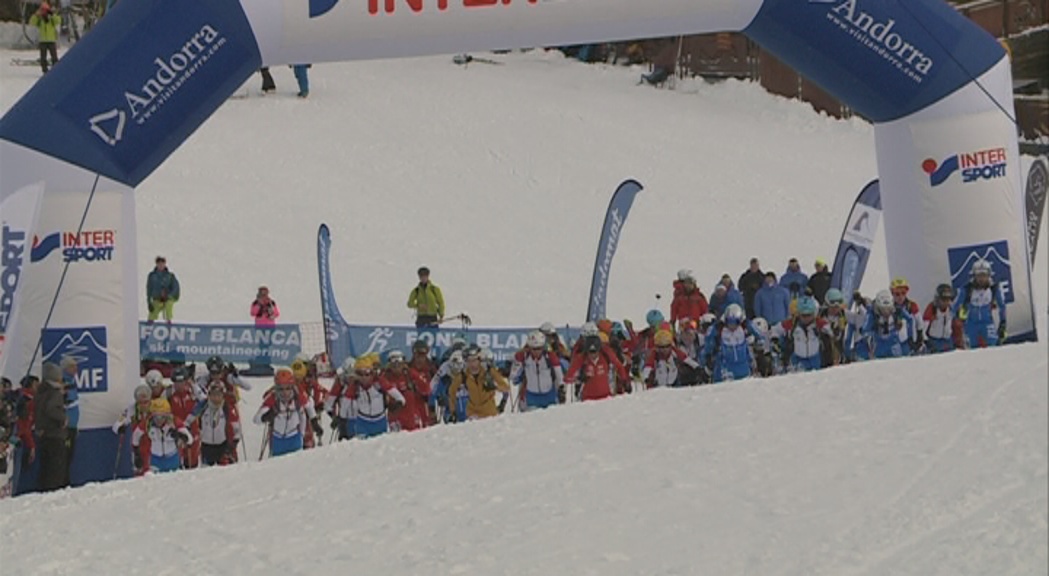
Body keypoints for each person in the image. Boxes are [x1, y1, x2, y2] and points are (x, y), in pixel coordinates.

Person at [255, 368, 322, 457]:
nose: (285, 392)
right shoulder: (272, 398)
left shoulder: (298, 395)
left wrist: (314, 423)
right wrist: (266, 417)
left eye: (288, 388)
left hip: (294, 439)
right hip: (277, 440)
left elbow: (308, 407)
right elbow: (256, 419)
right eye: (281, 389)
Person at [701, 304, 765, 383]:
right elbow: (708, 342)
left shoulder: (743, 329)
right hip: (724, 370)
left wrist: (748, 324)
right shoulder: (720, 330)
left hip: (744, 369)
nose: (732, 325)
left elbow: (760, 335)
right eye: (730, 322)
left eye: (735, 322)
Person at [770, 296, 836, 373]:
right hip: (797, 359)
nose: (806, 318)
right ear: (799, 314)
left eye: (809, 315)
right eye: (803, 315)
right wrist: (775, 339)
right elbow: (775, 329)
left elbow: (831, 332)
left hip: (815, 358)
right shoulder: (792, 323)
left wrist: (833, 331)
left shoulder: (819, 323)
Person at [184, 382, 241, 467]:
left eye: (219, 395)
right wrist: (186, 429)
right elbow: (189, 418)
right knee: (206, 473)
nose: (216, 398)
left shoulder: (227, 407)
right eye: (213, 395)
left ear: (223, 395)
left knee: (223, 473)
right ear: (209, 395)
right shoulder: (203, 405)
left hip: (222, 446)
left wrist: (235, 441)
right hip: (206, 446)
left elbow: (236, 426)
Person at [953, 259, 1007, 348]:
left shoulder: (994, 288)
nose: (982, 279)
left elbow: (1002, 306)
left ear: (989, 275)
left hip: (987, 322)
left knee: (992, 347)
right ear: (974, 275)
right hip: (971, 323)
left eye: (984, 275)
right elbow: (954, 307)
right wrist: (958, 319)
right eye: (979, 276)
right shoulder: (966, 289)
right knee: (973, 349)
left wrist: (1003, 323)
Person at [447, 347, 509, 420]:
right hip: (473, 412)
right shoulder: (464, 375)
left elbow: (506, 387)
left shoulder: (488, 371)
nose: (472, 364)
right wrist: (453, 411)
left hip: (489, 412)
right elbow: (451, 391)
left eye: (474, 360)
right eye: (469, 361)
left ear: (479, 360)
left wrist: (494, 386)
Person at [132, 398, 190, 474]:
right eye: (156, 417)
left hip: (172, 459)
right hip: (155, 460)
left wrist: (178, 435)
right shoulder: (147, 424)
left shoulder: (174, 422)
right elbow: (135, 437)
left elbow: (189, 439)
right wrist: (137, 454)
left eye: (162, 416)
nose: (159, 420)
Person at [510, 331, 564, 411]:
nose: (536, 352)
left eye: (539, 348)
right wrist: (515, 366)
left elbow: (559, 374)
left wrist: (561, 389)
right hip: (532, 397)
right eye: (534, 349)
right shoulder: (524, 357)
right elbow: (513, 376)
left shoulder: (550, 357)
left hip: (549, 396)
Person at [564, 336, 628, 402]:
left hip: (606, 397)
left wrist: (624, 380)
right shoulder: (582, 358)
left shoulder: (606, 354)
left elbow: (619, 366)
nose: (592, 355)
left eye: (595, 352)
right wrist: (578, 378)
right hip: (588, 399)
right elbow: (569, 376)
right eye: (590, 352)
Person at [35, 363, 67, 491]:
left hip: (43, 434)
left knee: (45, 467)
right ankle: (54, 492)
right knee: (56, 468)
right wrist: (63, 417)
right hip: (55, 434)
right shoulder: (55, 393)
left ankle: (44, 490)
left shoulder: (40, 392)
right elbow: (51, 409)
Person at [385, 350, 431, 432]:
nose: (396, 366)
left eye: (399, 363)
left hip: (411, 416)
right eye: (393, 364)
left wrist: (420, 389)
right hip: (395, 417)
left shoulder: (409, 374)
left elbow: (426, 388)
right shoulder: (386, 377)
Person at [862, 290, 916, 360]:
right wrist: (869, 338)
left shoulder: (897, 310)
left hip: (893, 342)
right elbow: (865, 329)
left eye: (888, 308)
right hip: (878, 344)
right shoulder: (872, 313)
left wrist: (910, 337)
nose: (886, 312)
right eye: (883, 309)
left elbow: (910, 319)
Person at [168, 367, 200, 469]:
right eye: (176, 382)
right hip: (177, 428)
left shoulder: (193, 389)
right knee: (178, 454)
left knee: (192, 456)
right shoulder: (168, 392)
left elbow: (204, 401)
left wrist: (192, 417)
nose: (179, 385)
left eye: (182, 382)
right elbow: (162, 408)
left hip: (192, 427)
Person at [890, 277, 925, 354]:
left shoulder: (912, 306)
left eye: (903, 293)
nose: (900, 297)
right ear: (892, 294)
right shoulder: (889, 307)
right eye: (897, 294)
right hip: (893, 343)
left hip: (909, 342)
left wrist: (919, 338)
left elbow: (919, 323)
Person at [924, 284, 963, 354]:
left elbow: (956, 325)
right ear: (938, 299)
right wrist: (925, 341)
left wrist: (958, 340)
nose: (946, 303)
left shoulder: (951, 309)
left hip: (948, 340)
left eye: (948, 300)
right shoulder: (932, 308)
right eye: (943, 300)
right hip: (934, 341)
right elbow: (924, 325)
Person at [58, 356, 79, 486]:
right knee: (64, 455)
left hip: (72, 425)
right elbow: (64, 403)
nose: (76, 369)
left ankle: (65, 480)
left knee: (69, 455)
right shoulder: (64, 382)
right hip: (66, 427)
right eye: (73, 366)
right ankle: (62, 481)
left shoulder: (72, 381)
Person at [146, 256, 180, 324]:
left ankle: (169, 322)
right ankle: (150, 324)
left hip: (167, 298)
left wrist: (169, 296)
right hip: (157, 298)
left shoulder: (170, 276)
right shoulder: (152, 276)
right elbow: (149, 288)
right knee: (153, 311)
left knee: (168, 306)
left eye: (162, 264)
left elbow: (175, 288)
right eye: (159, 264)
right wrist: (149, 301)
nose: (161, 266)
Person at [29, 3, 60, 74]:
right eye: (42, 10)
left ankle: (56, 70)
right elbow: (32, 22)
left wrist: (52, 14)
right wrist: (36, 15)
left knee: (54, 57)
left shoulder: (51, 19)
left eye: (45, 10)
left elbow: (58, 21)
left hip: (51, 40)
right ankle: (45, 70)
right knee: (43, 58)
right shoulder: (40, 19)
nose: (44, 12)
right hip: (43, 41)